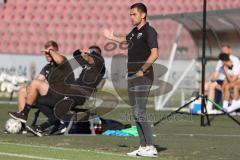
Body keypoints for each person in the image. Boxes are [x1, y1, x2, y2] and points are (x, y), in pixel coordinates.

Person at [103, 3, 158, 157]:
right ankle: (143, 146)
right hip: (132, 75)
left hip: (143, 76)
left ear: (143, 15)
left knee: (140, 111)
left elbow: (155, 54)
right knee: (135, 112)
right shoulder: (134, 32)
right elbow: (125, 40)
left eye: (134, 14)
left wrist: (142, 70)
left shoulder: (150, 31)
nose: (131, 17)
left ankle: (151, 147)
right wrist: (112, 37)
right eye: (130, 14)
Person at [8, 40, 74, 124]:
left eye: (50, 52)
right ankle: (21, 124)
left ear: (56, 52)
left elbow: (59, 60)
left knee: (35, 83)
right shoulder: (47, 67)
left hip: (65, 95)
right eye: (46, 53)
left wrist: (50, 51)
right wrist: (29, 89)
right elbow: (37, 80)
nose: (47, 54)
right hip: (53, 94)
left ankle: (24, 113)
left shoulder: (63, 60)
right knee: (23, 91)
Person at [203, 44, 240, 113]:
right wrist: (207, 79)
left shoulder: (235, 62)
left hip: (236, 81)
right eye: (222, 50)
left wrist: (225, 71)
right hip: (227, 81)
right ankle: (209, 108)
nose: (223, 51)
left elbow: (232, 79)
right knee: (211, 85)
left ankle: (231, 109)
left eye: (225, 50)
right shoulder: (223, 63)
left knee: (231, 87)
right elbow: (218, 75)